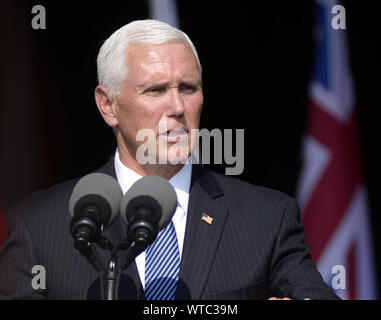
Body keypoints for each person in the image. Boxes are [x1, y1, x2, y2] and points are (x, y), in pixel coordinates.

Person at [0, 19, 338, 300]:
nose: (177, 107)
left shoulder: (267, 217)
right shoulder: (38, 226)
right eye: (156, 90)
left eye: (188, 88)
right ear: (108, 105)